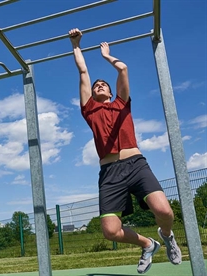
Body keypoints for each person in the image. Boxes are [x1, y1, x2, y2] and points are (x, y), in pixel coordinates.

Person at [68, 28, 182, 274]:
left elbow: (123, 69)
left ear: (111, 93)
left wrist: (107, 56)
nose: (99, 85)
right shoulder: (89, 110)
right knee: (110, 231)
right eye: (96, 85)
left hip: (136, 165)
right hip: (109, 173)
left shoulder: (122, 103)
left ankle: (166, 235)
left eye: (103, 85)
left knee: (164, 211)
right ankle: (147, 244)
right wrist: (76, 45)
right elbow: (83, 72)